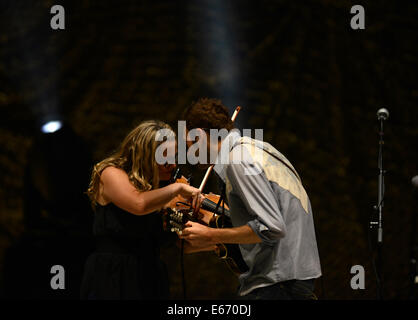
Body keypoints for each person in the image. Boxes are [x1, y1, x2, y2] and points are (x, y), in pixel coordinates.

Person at [178, 98, 322, 300]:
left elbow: (271, 227)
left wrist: (210, 234)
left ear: (200, 135)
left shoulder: (238, 160)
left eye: (189, 144)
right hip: (294, 278)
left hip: (275, 284)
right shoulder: (260, 150)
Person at [80, 120, 202, 300]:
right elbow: (139, 204)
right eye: (165, 160)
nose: (174, 166)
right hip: (113, 274)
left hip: (149, 275)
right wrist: (176, 189)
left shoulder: (160, 189)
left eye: (175, 158)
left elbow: (181, 243)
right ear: (145, 156)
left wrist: (216, 239)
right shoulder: (110, 173)